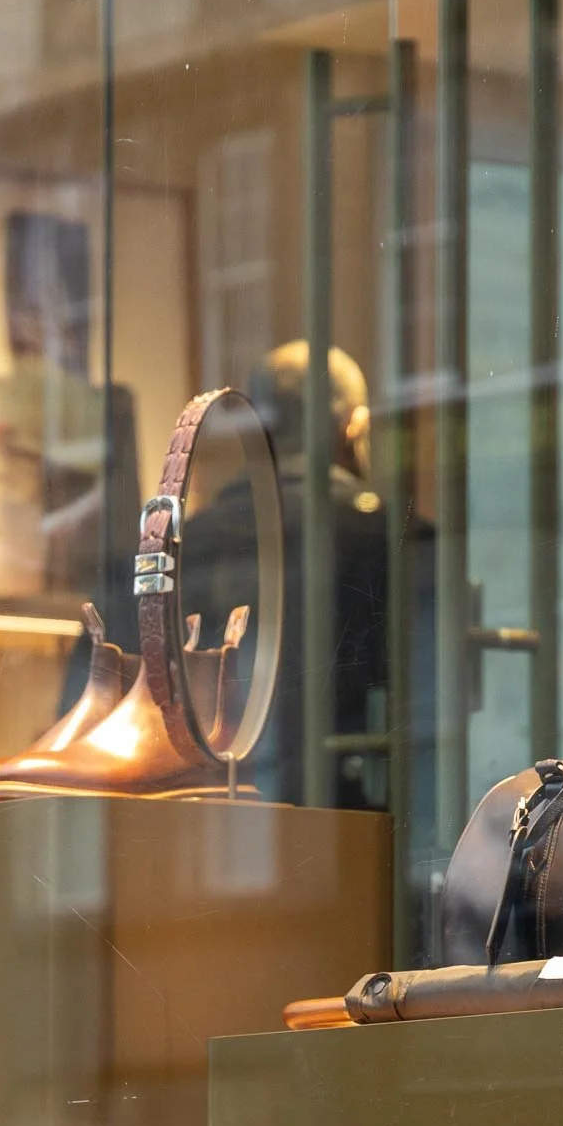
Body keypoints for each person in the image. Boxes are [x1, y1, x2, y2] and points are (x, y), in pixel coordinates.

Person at [182, 341, 408, 811]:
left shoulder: (186, 543)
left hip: (206, 818)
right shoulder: (386, 536)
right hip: (350, 823)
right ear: (355, 425)